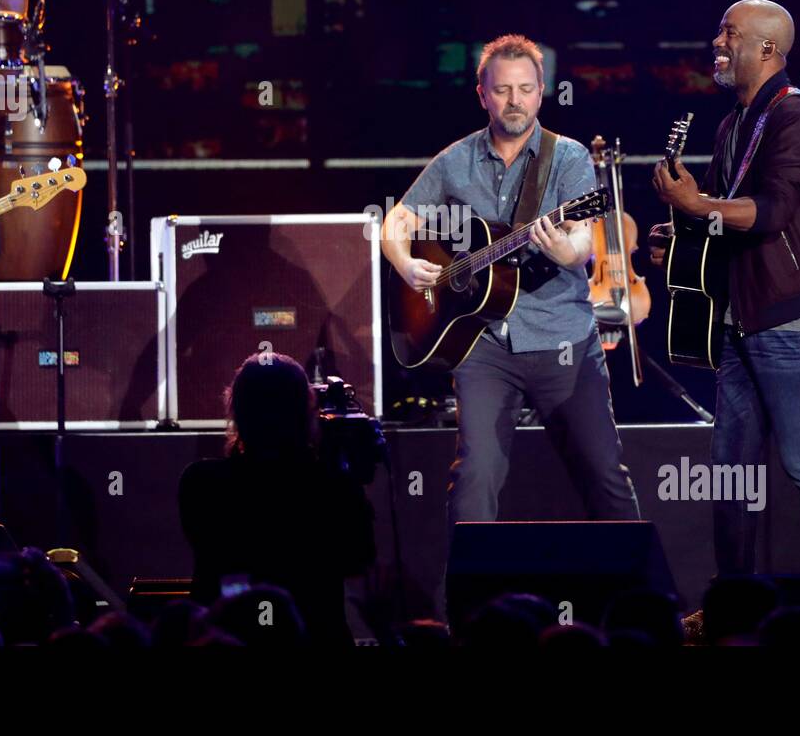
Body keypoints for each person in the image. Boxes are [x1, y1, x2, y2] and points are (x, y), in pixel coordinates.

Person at [650, 0, 800, 613]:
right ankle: (733, 604)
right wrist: (683, 233)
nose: (717, 42)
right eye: (720, 29)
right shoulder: (736, 121)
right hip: (742, 315)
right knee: (731, 469)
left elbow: (774, 213)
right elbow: (730, 217)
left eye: (729, 32)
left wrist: (698, 207)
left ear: (768, 49)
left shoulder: (797, 120)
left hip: (792, 316)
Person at [381, 33, 639, 532]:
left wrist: (564, 250)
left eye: (525, 89)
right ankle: (467, 606)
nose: (515, 100)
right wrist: (405, 265)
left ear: (542, 91)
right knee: (474, 477)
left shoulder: (567, 159)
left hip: (563, 339)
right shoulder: (455, 159)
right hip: (484, 346)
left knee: (603, 474)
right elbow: (398, 221)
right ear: (482, 94)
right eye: (502, 90)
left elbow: (581, 243)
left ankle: (649, 601)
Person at [178, 352, 376, 645]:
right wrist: (334, 461)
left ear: (237, 411)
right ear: (305, 411)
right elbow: (358, 559)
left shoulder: (201, 482)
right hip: (316, 636)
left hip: (229, 637)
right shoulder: (331, 485)